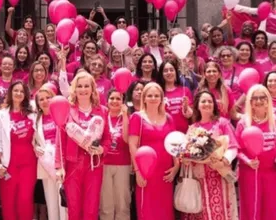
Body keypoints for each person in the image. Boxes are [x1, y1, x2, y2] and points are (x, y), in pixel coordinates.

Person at [55, 72, 111, 220]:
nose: (83, 89)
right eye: (79, 86)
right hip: (72, 165)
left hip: (94, 166)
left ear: (93, 89)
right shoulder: (67, 110)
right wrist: (59, 166)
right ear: (74, 89)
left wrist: (102, 149)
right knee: (74, 209)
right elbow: (60, 140)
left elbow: (108, 139)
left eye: (86, 86)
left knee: (91, 209)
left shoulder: (103, 111)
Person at [181, 91, 238, 220]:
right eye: (203, 101)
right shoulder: (192, 128)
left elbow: (233, 148)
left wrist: (223, 161)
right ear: (197, 105)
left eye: (210, 101)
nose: (207, 104)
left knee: (220, 212)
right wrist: (185, 159)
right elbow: (185, 152)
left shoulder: (222, 123)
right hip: (198, 179)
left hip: (218, 175)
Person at [129, 82, 179, 220]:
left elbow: (174, 143)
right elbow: (132, 145)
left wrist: (176, 166)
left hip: (165, 172)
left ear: (161, 98)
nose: (153, 98)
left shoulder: (168, 118)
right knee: (147, 209)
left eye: (157, 95)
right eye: (149, 95)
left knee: (165, 210)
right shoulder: (137, 117)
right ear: (144, 98)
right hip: (146, 172)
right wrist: (138, 172)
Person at [0, 81, 37, 220]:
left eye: (22, 91)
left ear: (25, 95)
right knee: (8, 200)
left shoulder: (33, 114)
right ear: (10, 92)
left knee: (25, 200)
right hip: (8, 165)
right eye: (16, 90)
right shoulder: (0, 116)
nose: (18, 94)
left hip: (29, 164)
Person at [235, 84, 276, 220]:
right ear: (250, 102)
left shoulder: (274, 121)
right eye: (255, 98)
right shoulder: (243, 123)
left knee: (271, 208)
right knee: (252, 208)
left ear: (268, 100)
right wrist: (248, 161)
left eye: (262, 97)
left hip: (272, 172)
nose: (258, 101)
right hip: (250, 173)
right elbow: (237, 149)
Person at [34, 86, 67, 220]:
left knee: (63, 202)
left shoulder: (62, 114)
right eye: (41, 99)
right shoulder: (35, 119)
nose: (45, 101)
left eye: (48, 97)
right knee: (51, 202)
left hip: (62, 164)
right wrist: (35, 147)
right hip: (45, 164)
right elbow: (33, 140)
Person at [100, 89, 131, 220]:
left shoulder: (127, 118)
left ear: (123, 102)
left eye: (118, 99)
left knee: (122, 202)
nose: (114, 101)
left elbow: (126, 139)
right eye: (112, 98)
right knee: (106, 203)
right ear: (107, 101)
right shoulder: (102, 117)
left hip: (122, 164)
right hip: (104, 163)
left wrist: (125, 116)